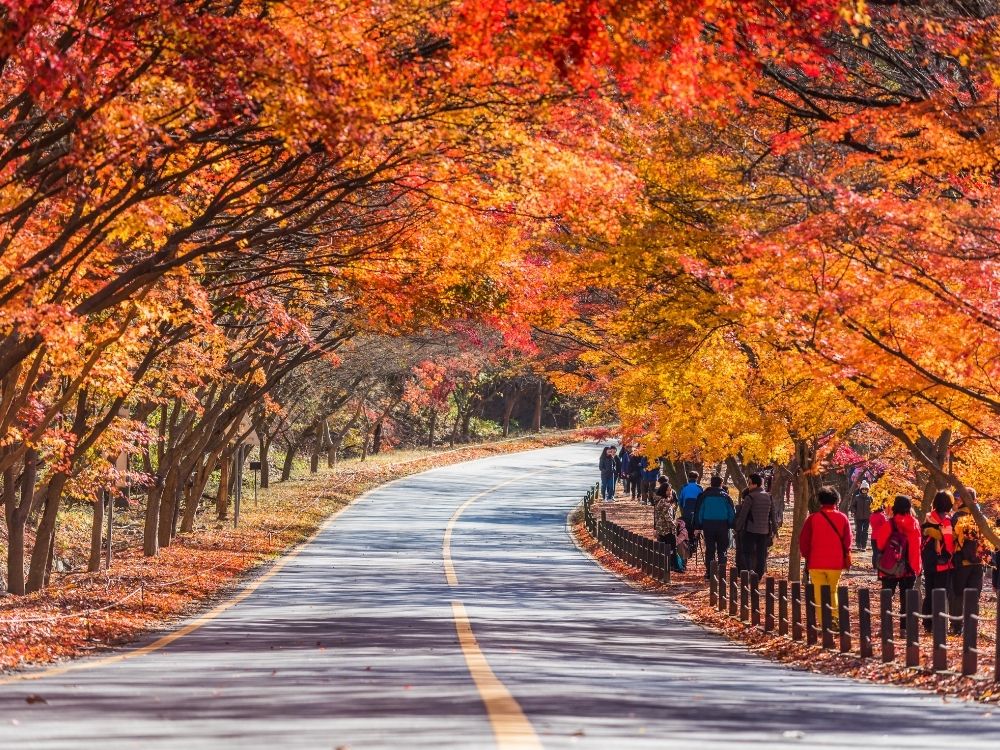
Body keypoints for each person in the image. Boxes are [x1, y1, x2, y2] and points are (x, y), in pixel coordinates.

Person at [800, 486, 853, 627]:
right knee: (832, 590)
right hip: (835, 563)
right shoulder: (843, 518)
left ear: (820, 501)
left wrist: (807, 556)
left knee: (819, 593)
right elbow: (848, 542)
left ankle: (825, 622)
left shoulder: (812, 519)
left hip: (816, 562)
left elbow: (804, 541)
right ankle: (834, 618)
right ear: (837, 500)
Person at [873, 495, 922, 635]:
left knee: (887, 596)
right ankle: (904, 629)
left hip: (890, 567)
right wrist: (916, 567)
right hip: (908, 568)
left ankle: (886, 628)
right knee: (906, 599)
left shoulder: (890, 524)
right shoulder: (914, 524)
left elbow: (881, 544)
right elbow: (915, 547)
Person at [951, 487, 986, 635]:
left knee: (958, 594)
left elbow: (952, 538)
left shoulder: (957, 517)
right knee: (974, 595)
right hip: (979, 562)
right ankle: (971, 627)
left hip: (962, 561)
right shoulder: (981, 518)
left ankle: (956, 626)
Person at [920, 491, 955, 633]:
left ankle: (927, 622)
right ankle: (938, 623)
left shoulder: (928, 517)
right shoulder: (946, 521)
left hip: (928, 561)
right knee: (940, 593)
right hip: (942, 563)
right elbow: (949, 543)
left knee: (929, 591)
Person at [693, 475, 736, 580]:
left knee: (710, 549)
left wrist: (698, 526)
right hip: (723, 525)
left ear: (711, 483)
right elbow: (731, 512)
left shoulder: (704, 496)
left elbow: (699, 512)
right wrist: (732, 524)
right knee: (722, 549)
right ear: (721, 484)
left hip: (708, 524)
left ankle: (709, 572)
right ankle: (721, 572)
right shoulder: (726, 496)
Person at [734, 473, 775, 577]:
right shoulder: (768, 497)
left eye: (749, 483)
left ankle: (750, 570)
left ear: (755, 484)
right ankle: (759, 574)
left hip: (751, 529)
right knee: (761, 553)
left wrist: (737, 528)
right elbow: (772, 515)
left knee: (747, 551)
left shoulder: (750, 497)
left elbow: (743, 515)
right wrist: (774, 529)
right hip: (764, 530)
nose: (748, 485)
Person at [677, 471, 702, 536]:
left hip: (686, 509)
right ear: (697, 478)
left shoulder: (684, 487)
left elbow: (680, 500)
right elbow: (702, 499)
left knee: (686, 523)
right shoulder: (700, 488)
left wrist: (682, 508)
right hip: (697, 510)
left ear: (688, 478)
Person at [850, 481, 873, 551]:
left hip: (867, 517)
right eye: (863, 489)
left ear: (868, 490)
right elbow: (853, 506)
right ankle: (858, 544)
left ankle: (864, 545)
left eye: (866, 489)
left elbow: (873, 506)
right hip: (858, 517)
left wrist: (871, 512)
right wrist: (854, 511)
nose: (864, 490)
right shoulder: (857, 497)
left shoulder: (870, 498)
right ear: (861, 489)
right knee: (859, 531)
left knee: (865, 531)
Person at [869, 499, 890, 570]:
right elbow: (886, 525)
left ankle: (874, 565)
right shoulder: (882, 516)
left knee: (874, 552)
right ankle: (878, 565)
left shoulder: (872, 515)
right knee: (880, 552)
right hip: (880, 537)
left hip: (873, 536)